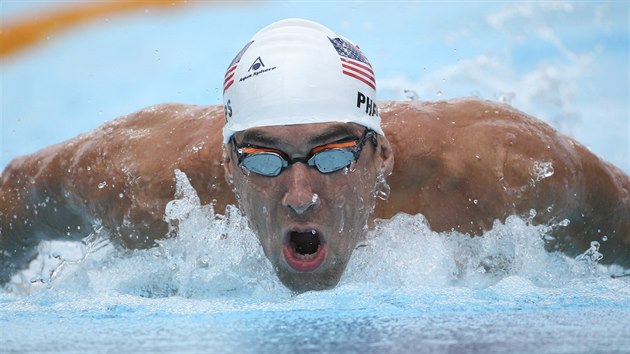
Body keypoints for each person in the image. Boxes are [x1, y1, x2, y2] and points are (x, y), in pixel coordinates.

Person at [1, 19, 629, 291]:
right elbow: (15, 196)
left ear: (380, 155)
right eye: (265, 159)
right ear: (225, 165)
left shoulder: (496, 170)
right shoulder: (139, 181)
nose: (300, 194)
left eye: (330, 156)